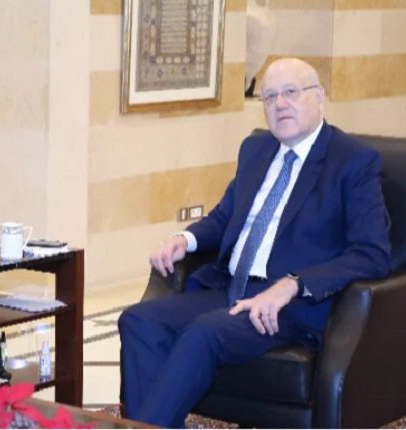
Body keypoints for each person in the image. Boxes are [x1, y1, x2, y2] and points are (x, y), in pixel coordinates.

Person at [118, 58, 391, 427]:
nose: (280, 104)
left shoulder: (353, 161)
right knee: (138, 321)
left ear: (319, 97)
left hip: (288, 306)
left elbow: (372, 254)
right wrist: (185, 239)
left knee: (204, 334)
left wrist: (293, 284)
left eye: (291, 92)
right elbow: (224, 217)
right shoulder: (256, 150)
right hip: (232, 288)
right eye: (270, 97)